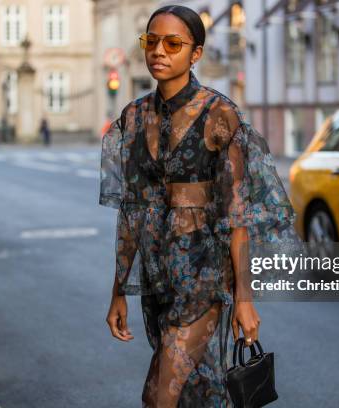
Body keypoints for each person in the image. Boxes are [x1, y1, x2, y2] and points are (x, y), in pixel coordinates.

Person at [99, 5, 301, 407]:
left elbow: (238, 214)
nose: (159, 51)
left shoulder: (219, 116)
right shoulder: (133, 118)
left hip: (204, 276)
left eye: (173, 43)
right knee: (200, 390)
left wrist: (244, 298)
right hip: (159, 277)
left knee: (159, 395)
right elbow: (131, 212)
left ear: (195, 54)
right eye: (151, 41)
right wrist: (119, 290)